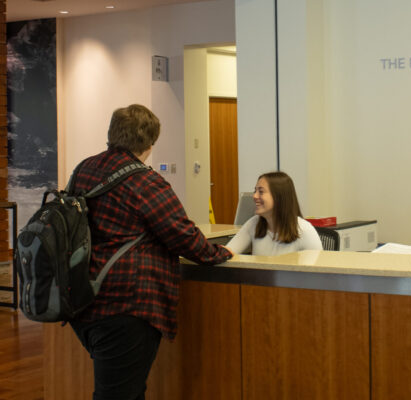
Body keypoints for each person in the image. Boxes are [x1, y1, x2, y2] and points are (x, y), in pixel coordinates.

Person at [69, 104, 232, 400]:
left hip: (83, 299)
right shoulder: (145, 182)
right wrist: (221, 253)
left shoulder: (84, 169)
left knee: (124, 390)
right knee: (120, 395)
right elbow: (183, 236)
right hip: (127, 305)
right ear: (150, 142)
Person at [226, 171, 322, 256]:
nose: (254, 196)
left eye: (261, 191)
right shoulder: (254, 223)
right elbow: (228, 252)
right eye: (255, 191)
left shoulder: (304, 230)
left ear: (278, 197)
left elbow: (319, 271)